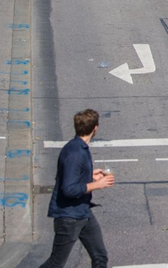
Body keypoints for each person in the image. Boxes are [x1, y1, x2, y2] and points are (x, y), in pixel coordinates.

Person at [38, 108, 115, 268]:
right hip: (69, 218)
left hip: (82, 213)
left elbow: (72, 176)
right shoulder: (75, 153)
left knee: (100, 257)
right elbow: (69, 189)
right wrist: (97, 184)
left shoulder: (78, 147)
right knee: (55, 263)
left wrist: (89, 175)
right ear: (95, 128)